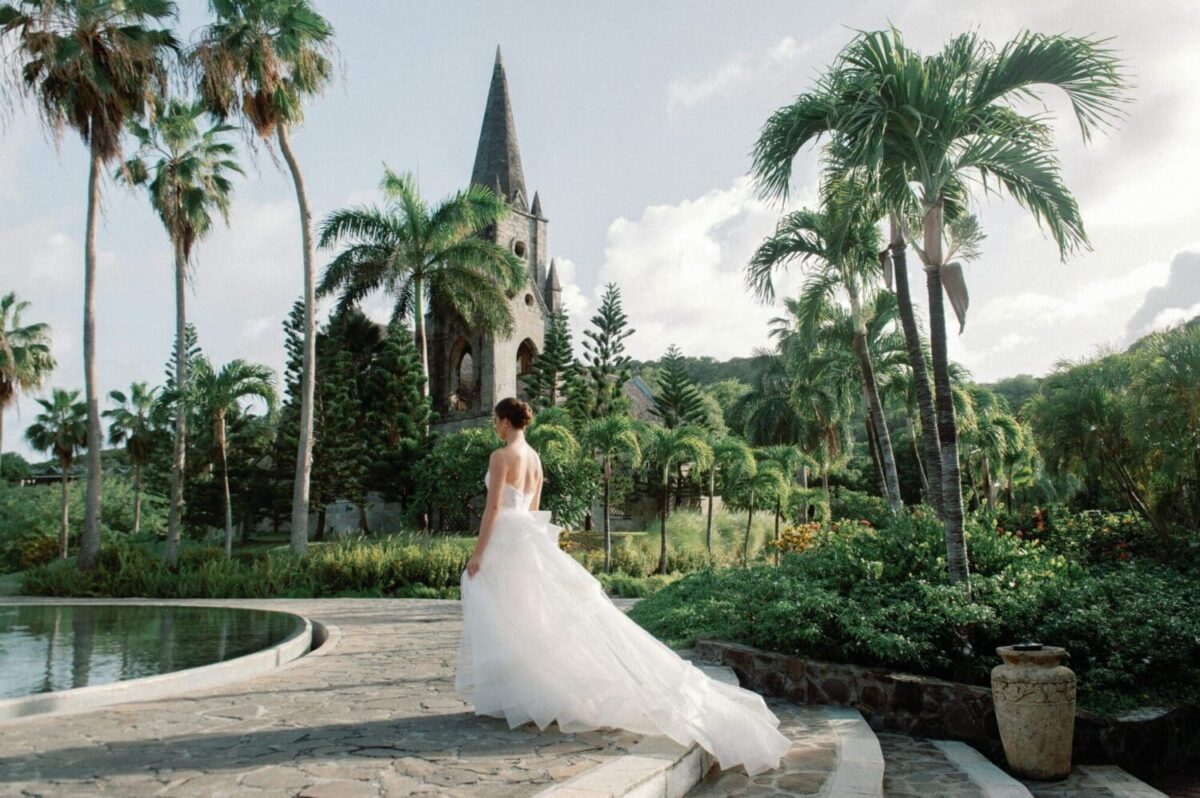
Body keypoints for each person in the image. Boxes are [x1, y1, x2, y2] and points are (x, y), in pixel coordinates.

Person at [455, 397, 791, 776]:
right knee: (531, 619)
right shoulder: (535, 459)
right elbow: (533, 511)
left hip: (507, 542)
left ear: (504, 421)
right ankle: (524, 694)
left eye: (496, 422)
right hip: (528, 541)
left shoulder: (501, 457)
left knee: (513, 617)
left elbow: (493, 509)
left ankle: (525, 694)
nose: (495, 427)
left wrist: (479, 552)